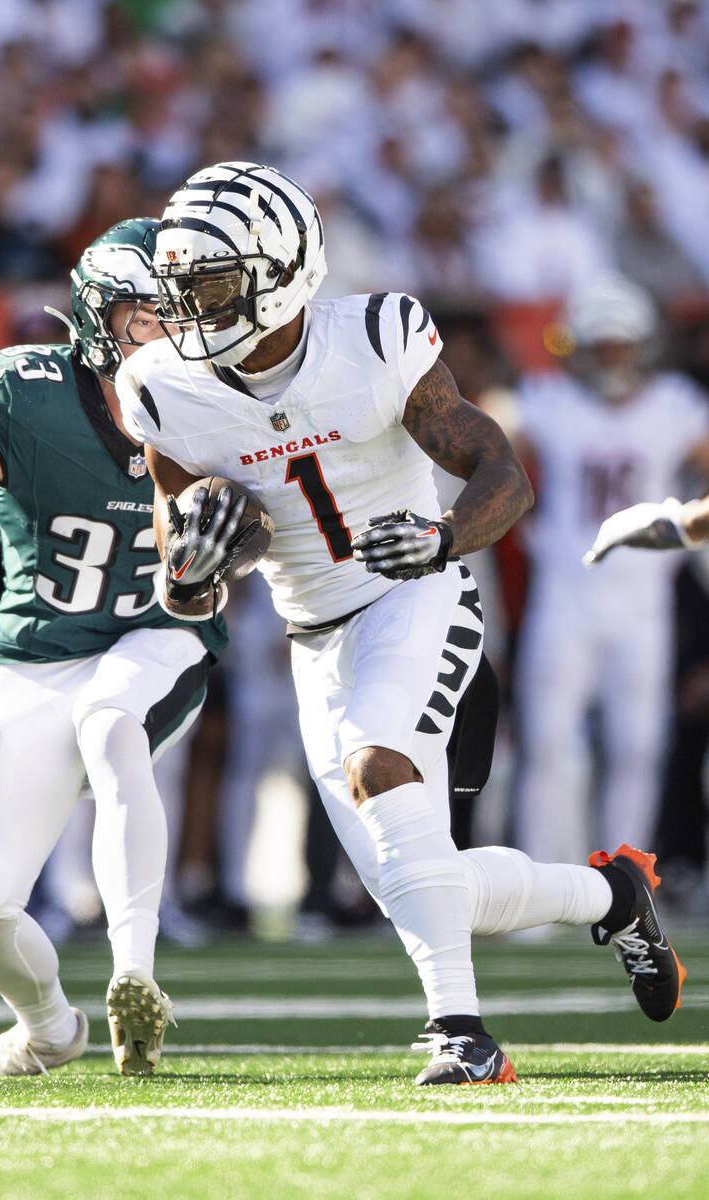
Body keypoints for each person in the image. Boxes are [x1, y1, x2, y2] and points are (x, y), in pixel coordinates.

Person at [116, 161, 686, 1088]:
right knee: (418, 886)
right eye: (180, 287)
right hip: (312, 635)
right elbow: (181, 577)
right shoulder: (162, 387)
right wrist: (194, 569)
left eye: (210, 284)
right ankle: (613, 893)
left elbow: (505, 475)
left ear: (282, 270)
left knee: (377, 760)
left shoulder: (377, 336)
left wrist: (442, 538)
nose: (188, 307)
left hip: (415, 591)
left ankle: (462, 1034)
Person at [0, 219, 227, 1079]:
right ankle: (49, 1027)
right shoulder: (31, 397)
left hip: (158, 633)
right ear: (95, 318)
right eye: (145, 315)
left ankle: (136, 976)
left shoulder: (222, 399)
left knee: (110, 722)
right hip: (37, 652)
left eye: (181, 313)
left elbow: (266, 528)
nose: (169, 333)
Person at [510, 274, 709, 865]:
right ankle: (539, 883)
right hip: (565, 593)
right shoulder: (546, 400)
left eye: (621, 344)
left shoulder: (675, 404)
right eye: (601, 345)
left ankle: (626, 889)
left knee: (639, 747)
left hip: (644, 599)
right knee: (547, 744)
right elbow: (491, 453)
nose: (613, 357)